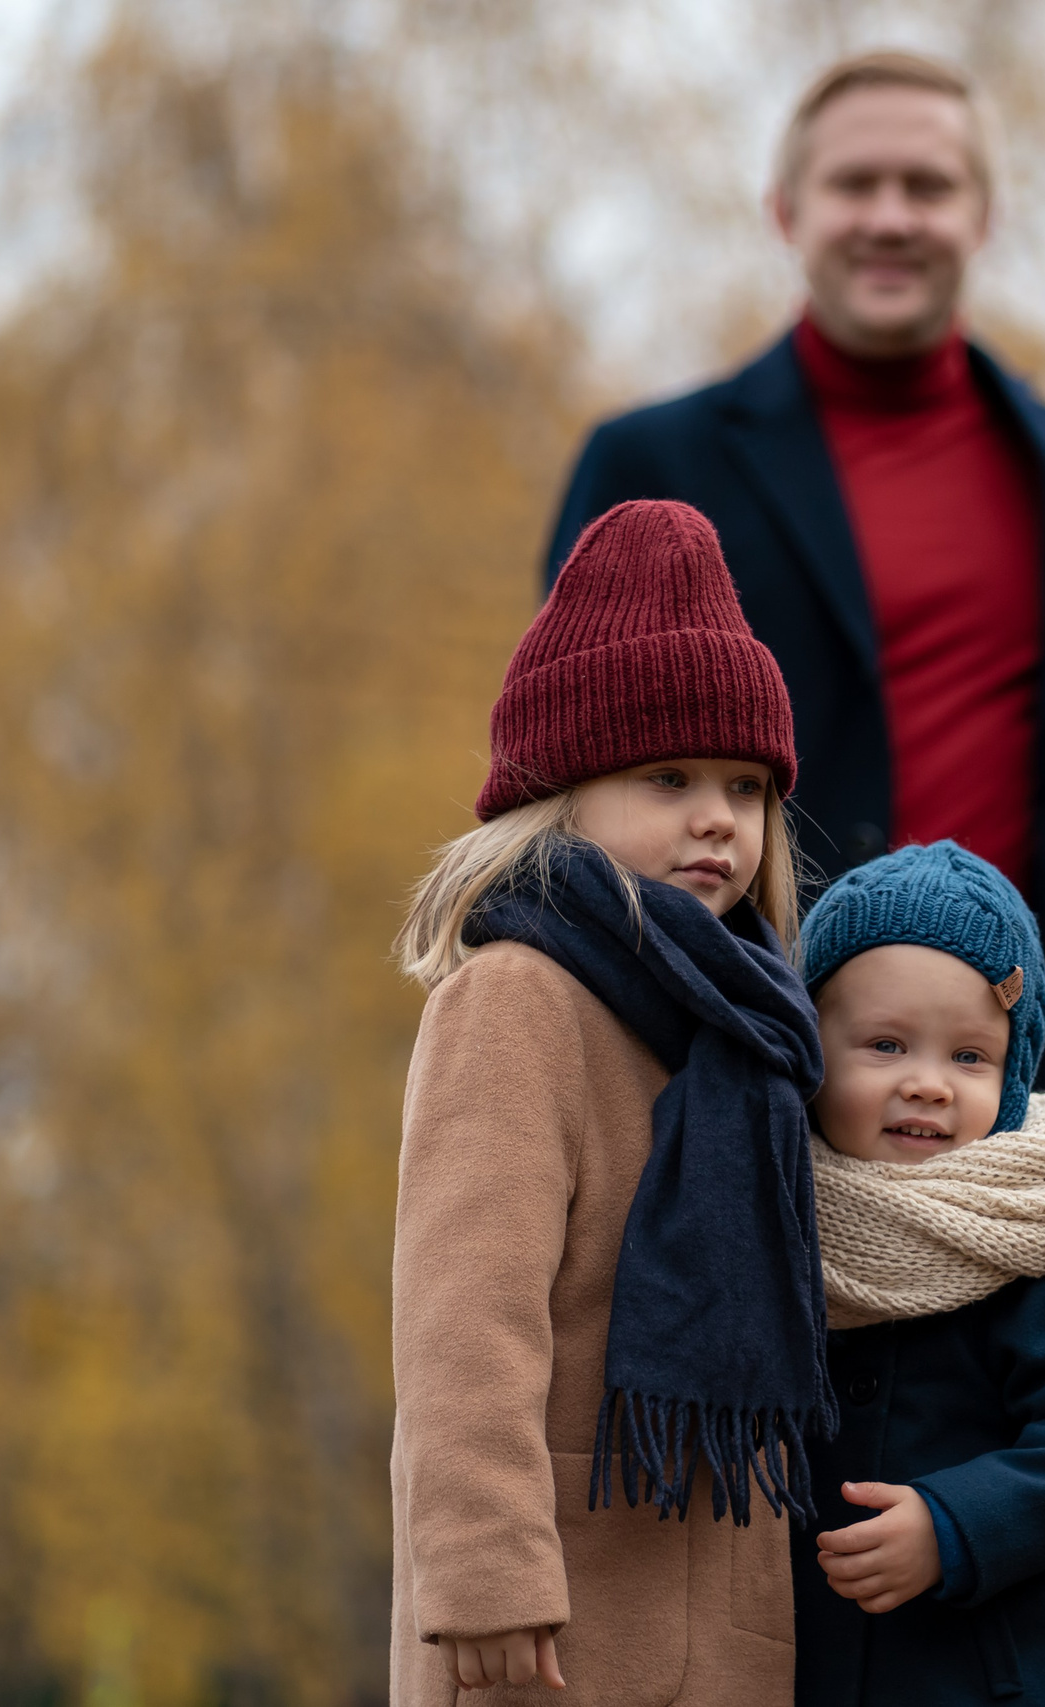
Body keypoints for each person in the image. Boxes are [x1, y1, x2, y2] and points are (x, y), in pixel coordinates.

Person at [542, 51, 1045, 985]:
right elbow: (559, 780)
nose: (890, 218)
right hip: (726, 1020)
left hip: (1002, 1042)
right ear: (786, 211)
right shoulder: (649, 465)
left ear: (984, 216)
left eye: (928, 187)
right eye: (855, 185)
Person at [389, 500, 827, 1706]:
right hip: (546, 1631)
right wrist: (483, 1571)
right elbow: (464, 1319)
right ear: (564, 794)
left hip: (721, 1630)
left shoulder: (754, 1034)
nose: (716, 817)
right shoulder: (516, 998)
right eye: (668, 778)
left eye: (746, 787)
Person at [792, 841, 1045, 1706]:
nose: (928, 1084)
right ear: (809, 1051)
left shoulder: (1021, 1251)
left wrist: (954, 1524)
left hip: (984, 1674)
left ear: (1013, 1077)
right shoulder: (768, 1225)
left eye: (969, 1057)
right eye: (886, 1044)